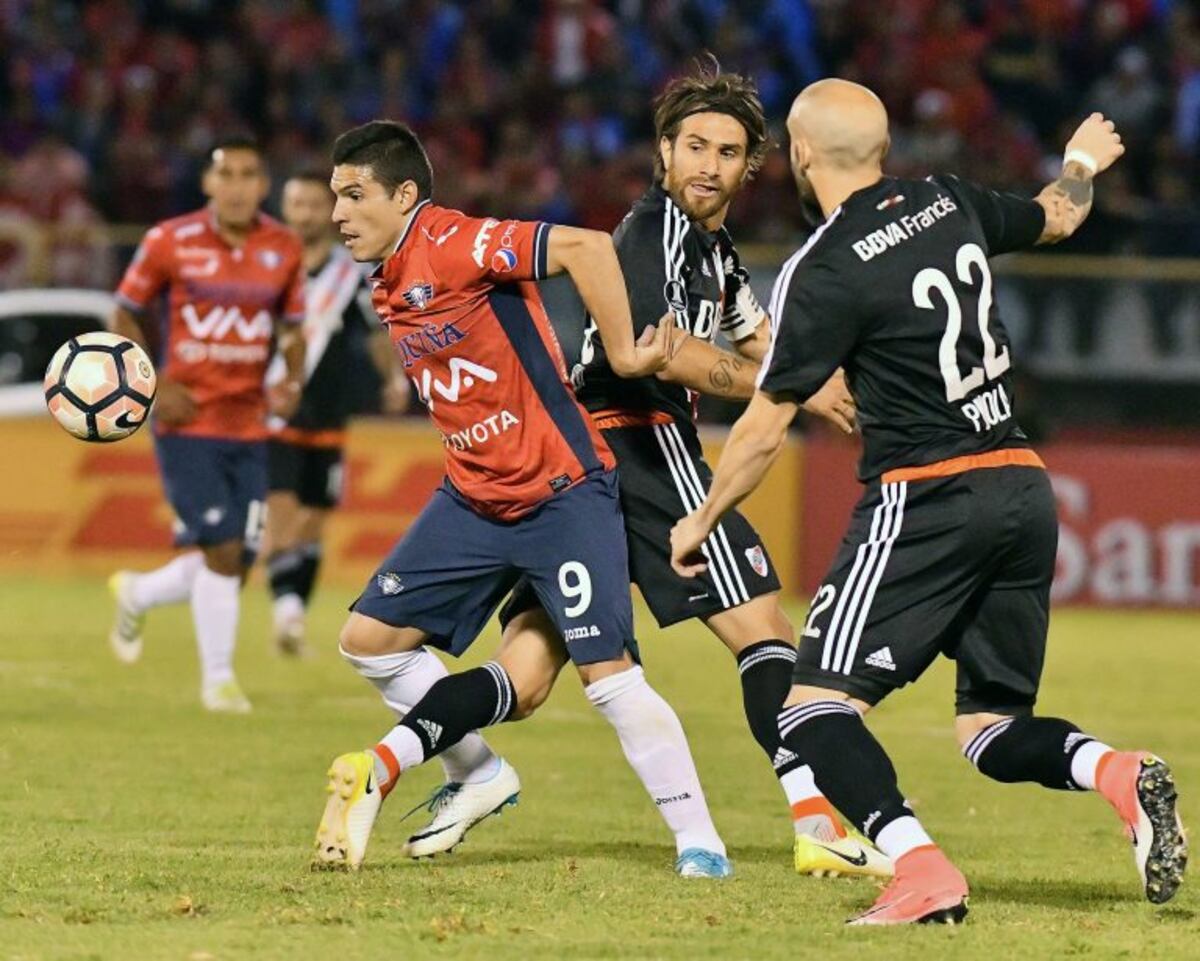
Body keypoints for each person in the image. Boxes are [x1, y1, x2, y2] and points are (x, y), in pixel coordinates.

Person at [671, 80, 1187, 924]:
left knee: (809, 712)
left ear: (800, 155)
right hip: (1023, 482)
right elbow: (1058, 214)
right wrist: (1082, 162)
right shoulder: (947, 200)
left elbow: (766, 426)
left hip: (928, 496)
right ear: (880, 150)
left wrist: (703, 515)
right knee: (990, 728)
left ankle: (920, 867)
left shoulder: (824, 265)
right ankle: (1116, 771)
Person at [498, 61, 890, 880]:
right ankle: (816, 818)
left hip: (583, 465)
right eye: (695, 147)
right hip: (640, 443)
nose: (708, 165)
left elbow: (756, 334)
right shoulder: (653, 236)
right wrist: (801, 391)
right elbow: (660, 358)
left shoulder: (710, 248)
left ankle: (403, 757)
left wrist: (831, 374)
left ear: (751, 166)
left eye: (728, 151)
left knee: (527, 673)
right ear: (663, 151)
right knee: (766, 633)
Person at [313, 120, 734, 878]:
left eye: (353, 195)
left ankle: (700, 841)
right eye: (333, 196)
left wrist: (628, 349)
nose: (337, 212)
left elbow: (586, 247)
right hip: (473, 497)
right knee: (368, 641)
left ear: (404, 195)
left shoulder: (453, 242)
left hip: (560, 492)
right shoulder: (385, 272)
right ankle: (476, 772)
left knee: (606, 680)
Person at [107, 136, 306, 713]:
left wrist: (290, 379)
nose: (239, 186)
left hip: (249, 423)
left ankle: (137, 592)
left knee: (237, 561)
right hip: (186, 420)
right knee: (221, 550)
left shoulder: (284, 247)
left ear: (263, 186)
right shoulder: (169, 240)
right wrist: (151, 383)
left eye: (250, 174)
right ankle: (218, 681)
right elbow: (124, 309)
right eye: (228, 174)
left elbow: (292, 327)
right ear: (208, 183)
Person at [264, 171, 408, 657]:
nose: (303, 213)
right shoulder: (268, 268)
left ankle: (291, 611)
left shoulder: (348, 274)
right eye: (295, 204)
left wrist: (393, 378)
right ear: (285, 209)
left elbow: (373, 332)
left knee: (313, 524)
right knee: (280, 526)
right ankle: (285, 610)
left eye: (311, 204)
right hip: (276, 414)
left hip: (330, 414)